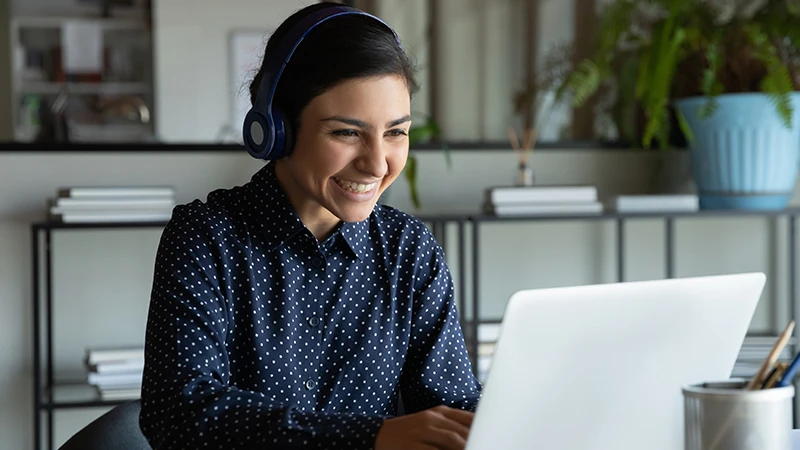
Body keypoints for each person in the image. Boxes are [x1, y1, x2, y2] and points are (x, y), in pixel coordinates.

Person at [138, 3, 481, 449]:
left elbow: (451, 407)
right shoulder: (206, 238)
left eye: (396, 132)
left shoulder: (408, 249)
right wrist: (370, 438)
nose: (377, 163)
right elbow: (179, 414)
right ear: (276, 129)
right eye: (347, 133)